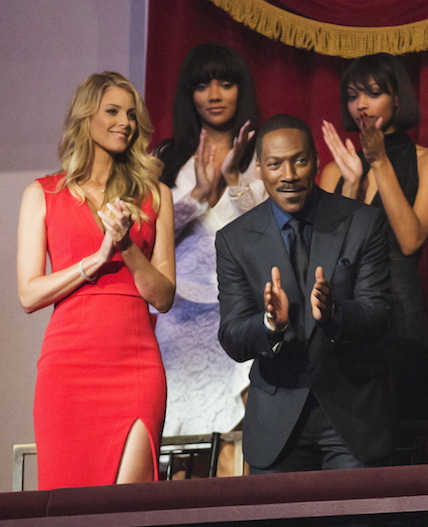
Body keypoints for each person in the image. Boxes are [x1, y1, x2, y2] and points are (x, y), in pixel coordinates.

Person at [16, 72, 175, 489]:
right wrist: (96, 259)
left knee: (129, 507)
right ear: (86, 117)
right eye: (112, 111)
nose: (125, 122)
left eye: (131, 114)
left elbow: (164, 296)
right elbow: (29, 294)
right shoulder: (43, 194)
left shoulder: (155, 195)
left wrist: (124, 247)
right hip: (68, 369)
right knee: (70, 510)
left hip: (135, 364)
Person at [216, 114, 393, 473]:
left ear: (315, 161)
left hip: (351, 415)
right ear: (260, 171)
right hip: (277, 421)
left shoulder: (362, 222)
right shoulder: (235, 240)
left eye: (299, 160)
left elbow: (379, 313)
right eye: (275, 164)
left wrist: (334, 314)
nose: (289, 174)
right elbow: (233, 336)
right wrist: (269, 324)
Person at [153, 43, 266, 475]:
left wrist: (235, 181)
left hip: (240, 310)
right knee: (178, 446)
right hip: (180, 317)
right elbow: (149, 236)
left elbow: (267, 234)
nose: (214, 94)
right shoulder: (164, 158)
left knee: (236, 442)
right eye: (202, 85)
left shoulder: (262, 154)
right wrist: (198, 196)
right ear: (189, 94)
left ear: (242, 89)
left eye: (225, 82)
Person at [319, 52, 428, 420]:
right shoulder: (336, 169)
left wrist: (379, 162)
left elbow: (410, 240)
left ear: (397, 97)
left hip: (402, 310)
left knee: (403, 432)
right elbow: (330, 252)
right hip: (348, 307)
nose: (361, 104)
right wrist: (354, 184)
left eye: (373, 93)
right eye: (352, 95)